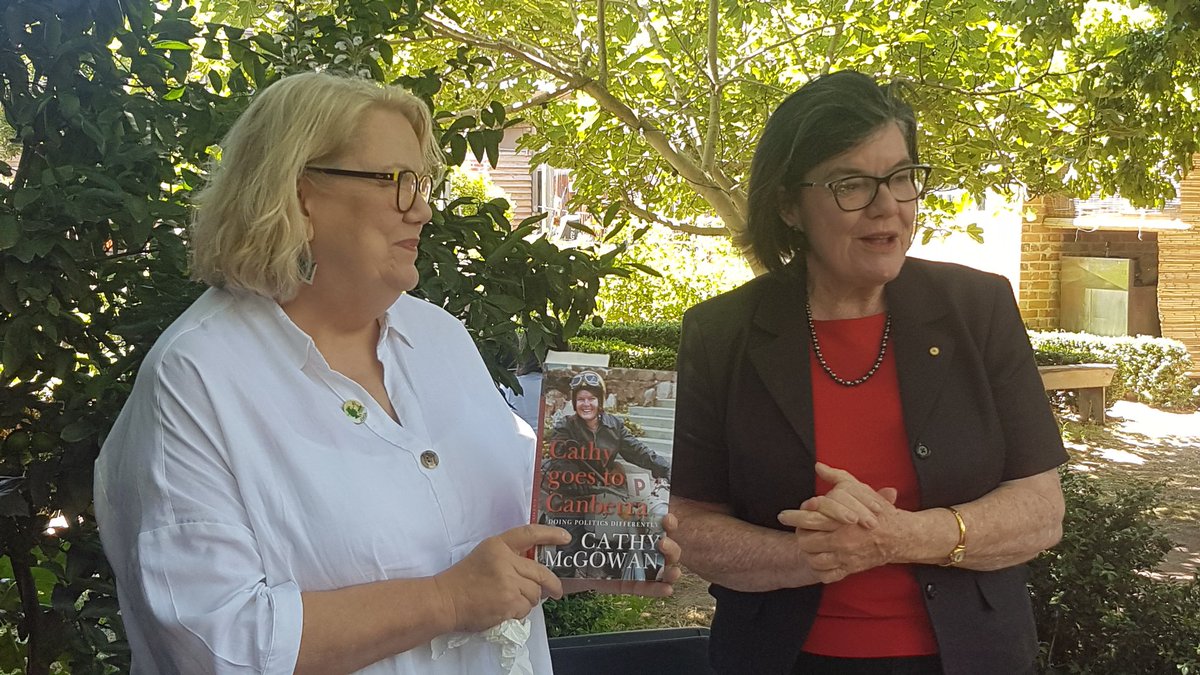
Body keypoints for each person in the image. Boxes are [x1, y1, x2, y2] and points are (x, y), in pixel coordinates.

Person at [93, 71, 679, 675]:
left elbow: (500, 546)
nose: (422, 209)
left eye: (422, 183)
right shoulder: (197, 376)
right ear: (298, 191)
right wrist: (444, 600)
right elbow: (210, 639)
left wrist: (603, 548)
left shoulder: (438, 336)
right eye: (395, 182)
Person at [668, 70, 1067, 675]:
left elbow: (1041, 512)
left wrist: (900, 537)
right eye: (852, 183)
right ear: (788, 205)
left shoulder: (978, 308)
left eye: (902, 177)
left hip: (969, 658)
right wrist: (818, 555)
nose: (889, 207)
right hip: (781, 659)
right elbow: (692, 525)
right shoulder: (722, 333)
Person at [543, 370, 671, 579]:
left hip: (603, 493)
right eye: (581, 399)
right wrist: (575, 479)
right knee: (569, 547)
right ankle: (560, 596)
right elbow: (561, 460)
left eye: (591, 398)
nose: (586, 404)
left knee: (619, 539)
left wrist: (665, 468)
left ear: (600, 400)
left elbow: (637, 451)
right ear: (575, 402)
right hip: (571, 495)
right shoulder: (565, 426)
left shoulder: (614, 426)